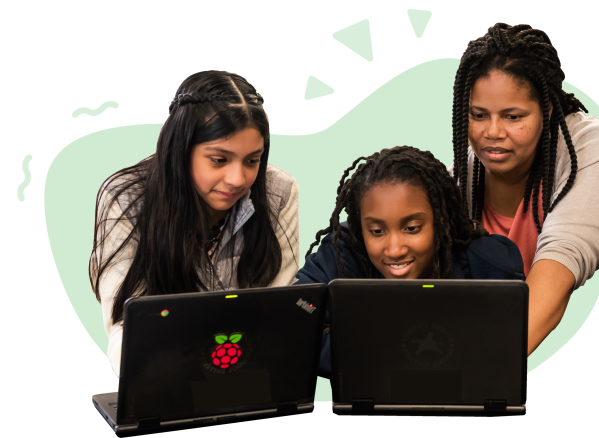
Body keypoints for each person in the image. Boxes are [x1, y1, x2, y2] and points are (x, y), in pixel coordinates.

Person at [89, 70, 299, 380]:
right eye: (218, 160)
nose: (238, 179)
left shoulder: (278, 191)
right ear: (180, 149)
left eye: (252, 160)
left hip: (245, 377)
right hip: (158, 377)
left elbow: (276, 309)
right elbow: (127, 328)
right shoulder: (126, 198)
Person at [294, 146, 525, 379]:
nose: (395, 250)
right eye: (376, 231)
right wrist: (383, 348)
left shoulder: (489, 265)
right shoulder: (343, 250)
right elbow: (300, 311)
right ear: (359, 227)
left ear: (440, 219)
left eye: (412, 229)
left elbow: (500, 359)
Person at [448, 22, 599, 356]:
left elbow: (564, 256)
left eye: (513, 116)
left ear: (546, 111)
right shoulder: (460, 177)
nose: (493, 132)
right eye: (478, 114)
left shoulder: (587, 149)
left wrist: (481, 375)